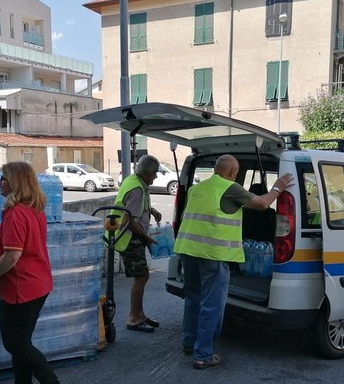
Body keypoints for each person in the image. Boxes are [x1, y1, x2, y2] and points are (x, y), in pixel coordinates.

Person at [174, 154, 294, 369]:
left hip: (187, 250)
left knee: (193, 298)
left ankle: (189, 343)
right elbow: (261, 204)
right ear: (233, 172)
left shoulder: (196, 188)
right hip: (213, 255)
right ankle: (203, 354)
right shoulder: (230, 187)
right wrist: (277, 187)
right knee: (212, 305)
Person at [0, 162, 72, 384]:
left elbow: (12, 256)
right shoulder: (33, 210)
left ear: (16, 182)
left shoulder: (16, 214)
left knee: (15, 342)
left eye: (3, 178)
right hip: (35, 284)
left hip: (22, 288)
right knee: (20, 343)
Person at [112, 154, 162, 333]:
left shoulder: (133, 180)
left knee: (142, 276)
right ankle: (134, 318)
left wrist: (152, 210)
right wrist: (147, 238)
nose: (156, 177)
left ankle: (140, 314)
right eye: (154, 174)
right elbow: (128, 221)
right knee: (141, 277)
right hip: (128, 239)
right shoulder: (138, 189)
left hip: (129, 238)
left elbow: (131, 206)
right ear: (147, 173)